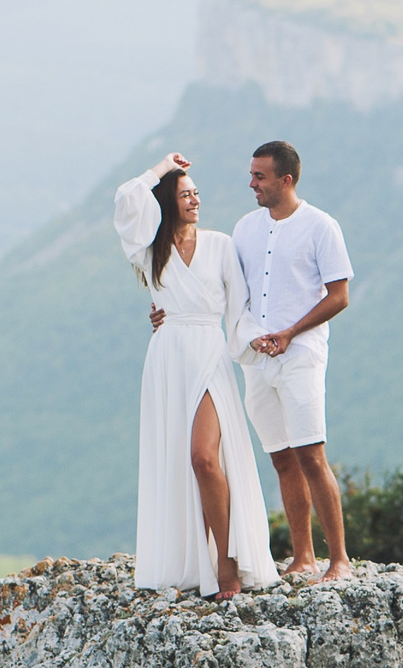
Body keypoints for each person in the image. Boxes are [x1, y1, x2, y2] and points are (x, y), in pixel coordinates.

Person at [112, 151, 279, 599]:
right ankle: (192, 561)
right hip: (167, 359)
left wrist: (260, 340)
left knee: (205, 458)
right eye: (185, 194)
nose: (195, 200)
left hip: (208, 353)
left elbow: (239, 310)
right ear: (168, 200)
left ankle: (228, 566)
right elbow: (128, 199)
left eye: (197, 193)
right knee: (179, 460)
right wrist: (162, 167)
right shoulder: (151, 252)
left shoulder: (221, 245)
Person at [232, 139, 354, 584]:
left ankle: (339, 559)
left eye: (259, 176)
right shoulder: (244, 228)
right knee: (281, 458)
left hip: (301, 355)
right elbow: (226, 289)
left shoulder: (321, 226)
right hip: (256, 360)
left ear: (286, 179)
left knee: (311, 455)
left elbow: (339, 296)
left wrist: (289, 334)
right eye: (251, 175)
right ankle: (303, 556)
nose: (252, 184)